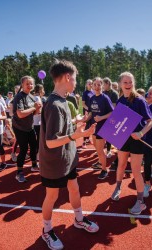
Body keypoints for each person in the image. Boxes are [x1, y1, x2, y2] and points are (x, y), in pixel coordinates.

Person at [39, 59, 99, 250]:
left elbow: (62, 128)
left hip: (68, 159)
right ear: (66, 77)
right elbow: (50, 141)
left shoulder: (63, 100)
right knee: (52, 196)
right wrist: (77, 134)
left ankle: (79, 219)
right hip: (54, 162)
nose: (76, 83)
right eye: (74, 79)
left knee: (74, 189)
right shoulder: (54, 104)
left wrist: (75, 123)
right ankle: (46, 230)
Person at [111, 72, 152, 215]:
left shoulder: (140, 100)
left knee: (135, 170)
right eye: (125, 83)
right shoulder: (120, 100)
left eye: (130, 82)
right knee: (121, 164)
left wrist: (141, 133)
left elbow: (150, 121)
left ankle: (141, 201)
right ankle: (118, 187)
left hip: (138, 140)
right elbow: (118, 121)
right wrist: (113, 136)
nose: (128, 85)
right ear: (120, 84)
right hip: (123, 139)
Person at [12, 76, 41, 182]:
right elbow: (20, 114)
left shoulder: (32, 97)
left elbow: (34, 113)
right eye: (27, 84)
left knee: (34, 147)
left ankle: (34, 165)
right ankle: (19, 172)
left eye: (31, 84)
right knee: (23, 150)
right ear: (22, 85)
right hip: (19, 127)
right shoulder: (19, 97)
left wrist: (39, 109)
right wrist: (34, 108)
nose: (30, 85)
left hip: (29, 126)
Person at [88, 77, 114, 179]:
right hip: (94, 127)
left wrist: (101, 117)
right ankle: (100, 162)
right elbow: (91, 113)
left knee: (100, 150)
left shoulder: (105, 98)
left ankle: (104, 170)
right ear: (92, 86)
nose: (97, 87)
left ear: (102, 86)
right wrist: (84, 119)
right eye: (95, 84)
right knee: (97, 148)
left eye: (99, 85)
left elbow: (112, 112)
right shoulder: (91, 98)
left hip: (103, 127)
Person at [103, 77, 119, 158]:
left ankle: (109, 151)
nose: (102, 86)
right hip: (103, 116)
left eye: (104, 84)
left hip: (112, 116)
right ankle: (103, 150)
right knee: (103, 134)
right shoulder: (103, 93)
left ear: (108, 84)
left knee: (109, 135)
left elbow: (114, 106)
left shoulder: (114, 93)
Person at [81, 79, 94, 148]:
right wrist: (88, 110)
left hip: (93, 112)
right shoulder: (85, 93)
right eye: (89, 84)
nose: (91, 85)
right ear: (86, 85)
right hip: (87, 112)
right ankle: (84, 142)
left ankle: (88, 139)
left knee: (92, 126)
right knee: (87, 126)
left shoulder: (93, 92)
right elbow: (83, 104)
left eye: (91, 83)